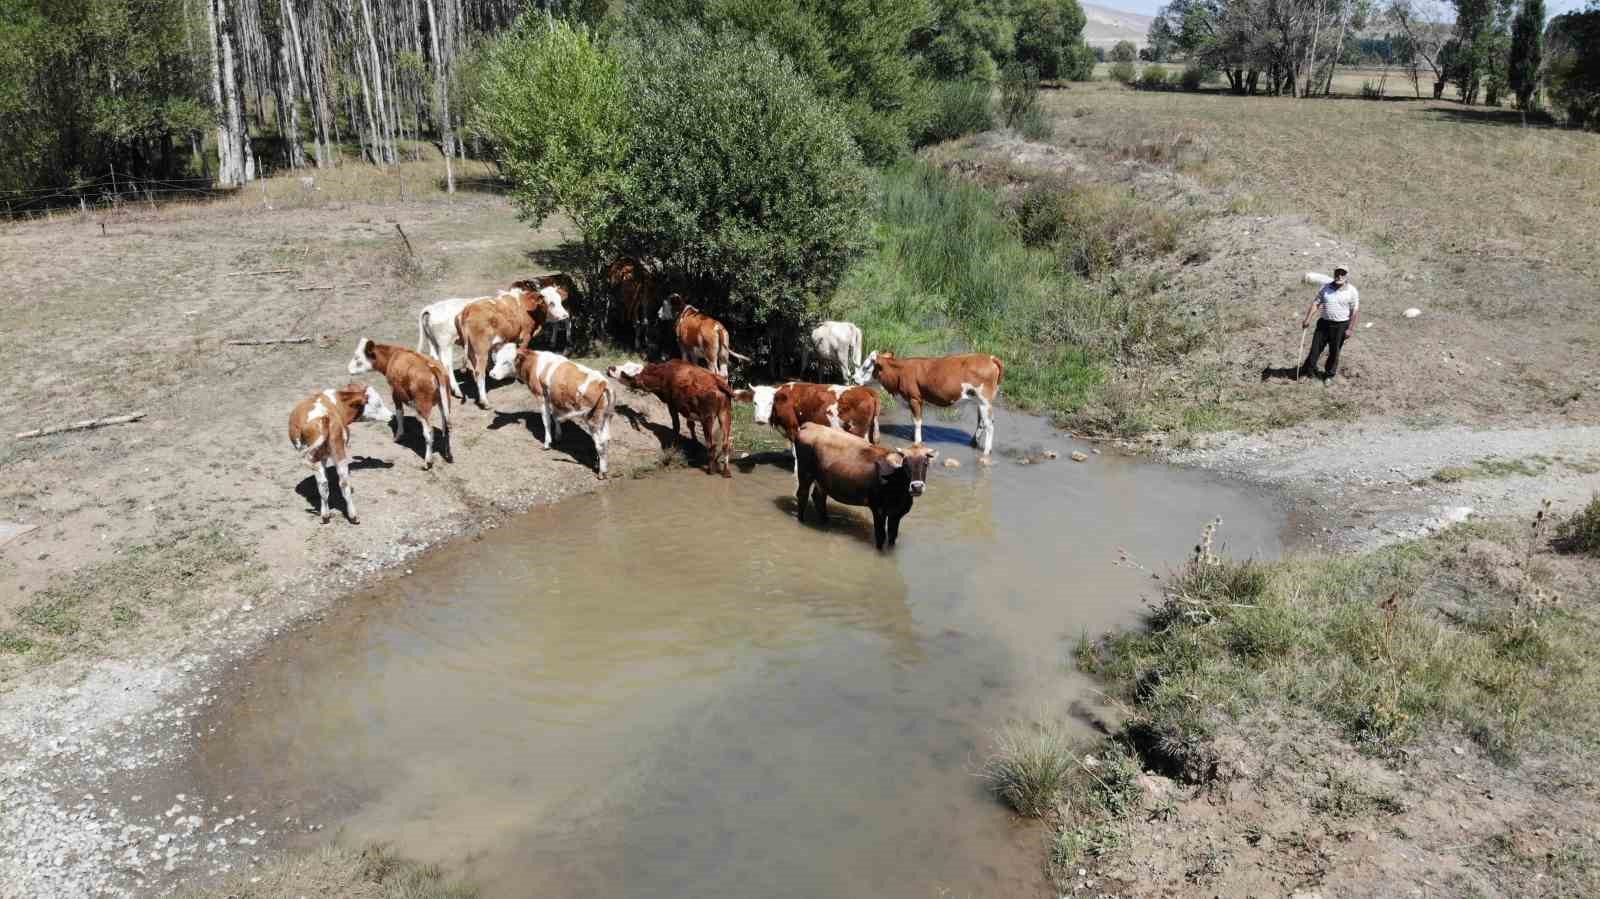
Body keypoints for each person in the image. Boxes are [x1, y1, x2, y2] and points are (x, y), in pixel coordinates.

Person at [1300, 266, 1359, 381]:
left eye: (1343, 273)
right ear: (1334, 274)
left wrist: (1350, 329)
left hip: (1341, 326)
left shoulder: (1352, 291)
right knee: (1315, 350)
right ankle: (1307, 372)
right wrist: (1307, 319)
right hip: (1324, 324)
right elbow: (1316, 303)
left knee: (1334, 352)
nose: (1339, 276)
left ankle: (1328, 375)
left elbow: (1355, 311)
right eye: (1337, 273)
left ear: (1347, 275)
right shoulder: (1325, 288)